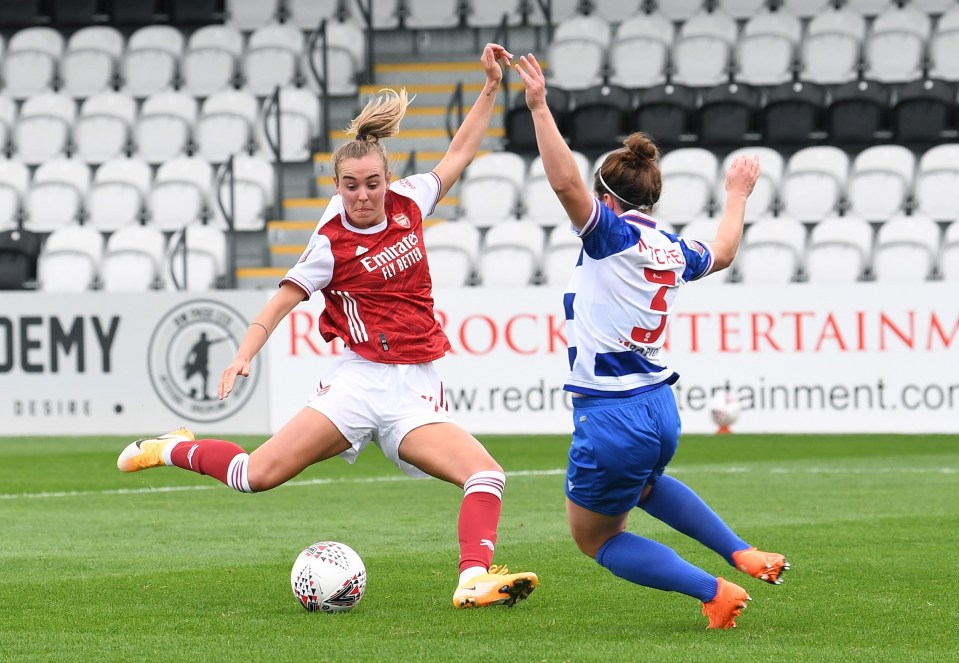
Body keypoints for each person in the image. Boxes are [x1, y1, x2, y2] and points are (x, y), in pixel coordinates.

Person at [118, 43, 538, 610]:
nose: (362, 195)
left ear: (388, 179)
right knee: (253, 475)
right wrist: (243, 353)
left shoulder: (411, 201)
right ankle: (173, 449)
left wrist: (490, 86)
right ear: (336, 185)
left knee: (486, 476)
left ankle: (472, 579)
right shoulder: (328, 246)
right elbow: (275, 306)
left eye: (372, 183)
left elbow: (460, 152)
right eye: (350, 185)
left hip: (415, 392)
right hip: (359, 384)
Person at [514, 52, 787, 630]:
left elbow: (564, 182)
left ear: (606, 199)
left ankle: (714, 590)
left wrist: (539, 106)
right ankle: (739, 551)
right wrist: (737, 192)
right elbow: (725, 252)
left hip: (611, 415)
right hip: (660, 410)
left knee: (596, 540)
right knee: (644, 487)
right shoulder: (670, 246)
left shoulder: (609, 235)